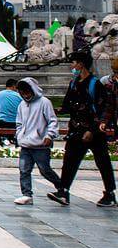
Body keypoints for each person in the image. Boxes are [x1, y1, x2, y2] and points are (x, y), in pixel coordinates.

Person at [47, 50, 116, 208]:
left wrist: (92, 130)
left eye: (74, 62)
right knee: (69, 161)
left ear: (81, 64)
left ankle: (110, 194)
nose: (72, 65)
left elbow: (102, 108)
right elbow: (67, 105)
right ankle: (63, 192)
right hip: (76, 130)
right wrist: (54, 110)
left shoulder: (94, 84)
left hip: (93, 131)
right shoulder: (74, 82)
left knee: (102, 162)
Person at [13, 77, 63, 205]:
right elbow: (19, 123)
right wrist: (19, 136)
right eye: (22, 93)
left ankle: (61, 187)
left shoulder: (44, 102)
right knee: (24, 170)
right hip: (26, 144)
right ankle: (26, 194)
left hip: (40, 144)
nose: (25, 95)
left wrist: (49, 135)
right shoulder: (22, 105)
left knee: (44, 169)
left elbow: (52, 120)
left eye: (27, 92)